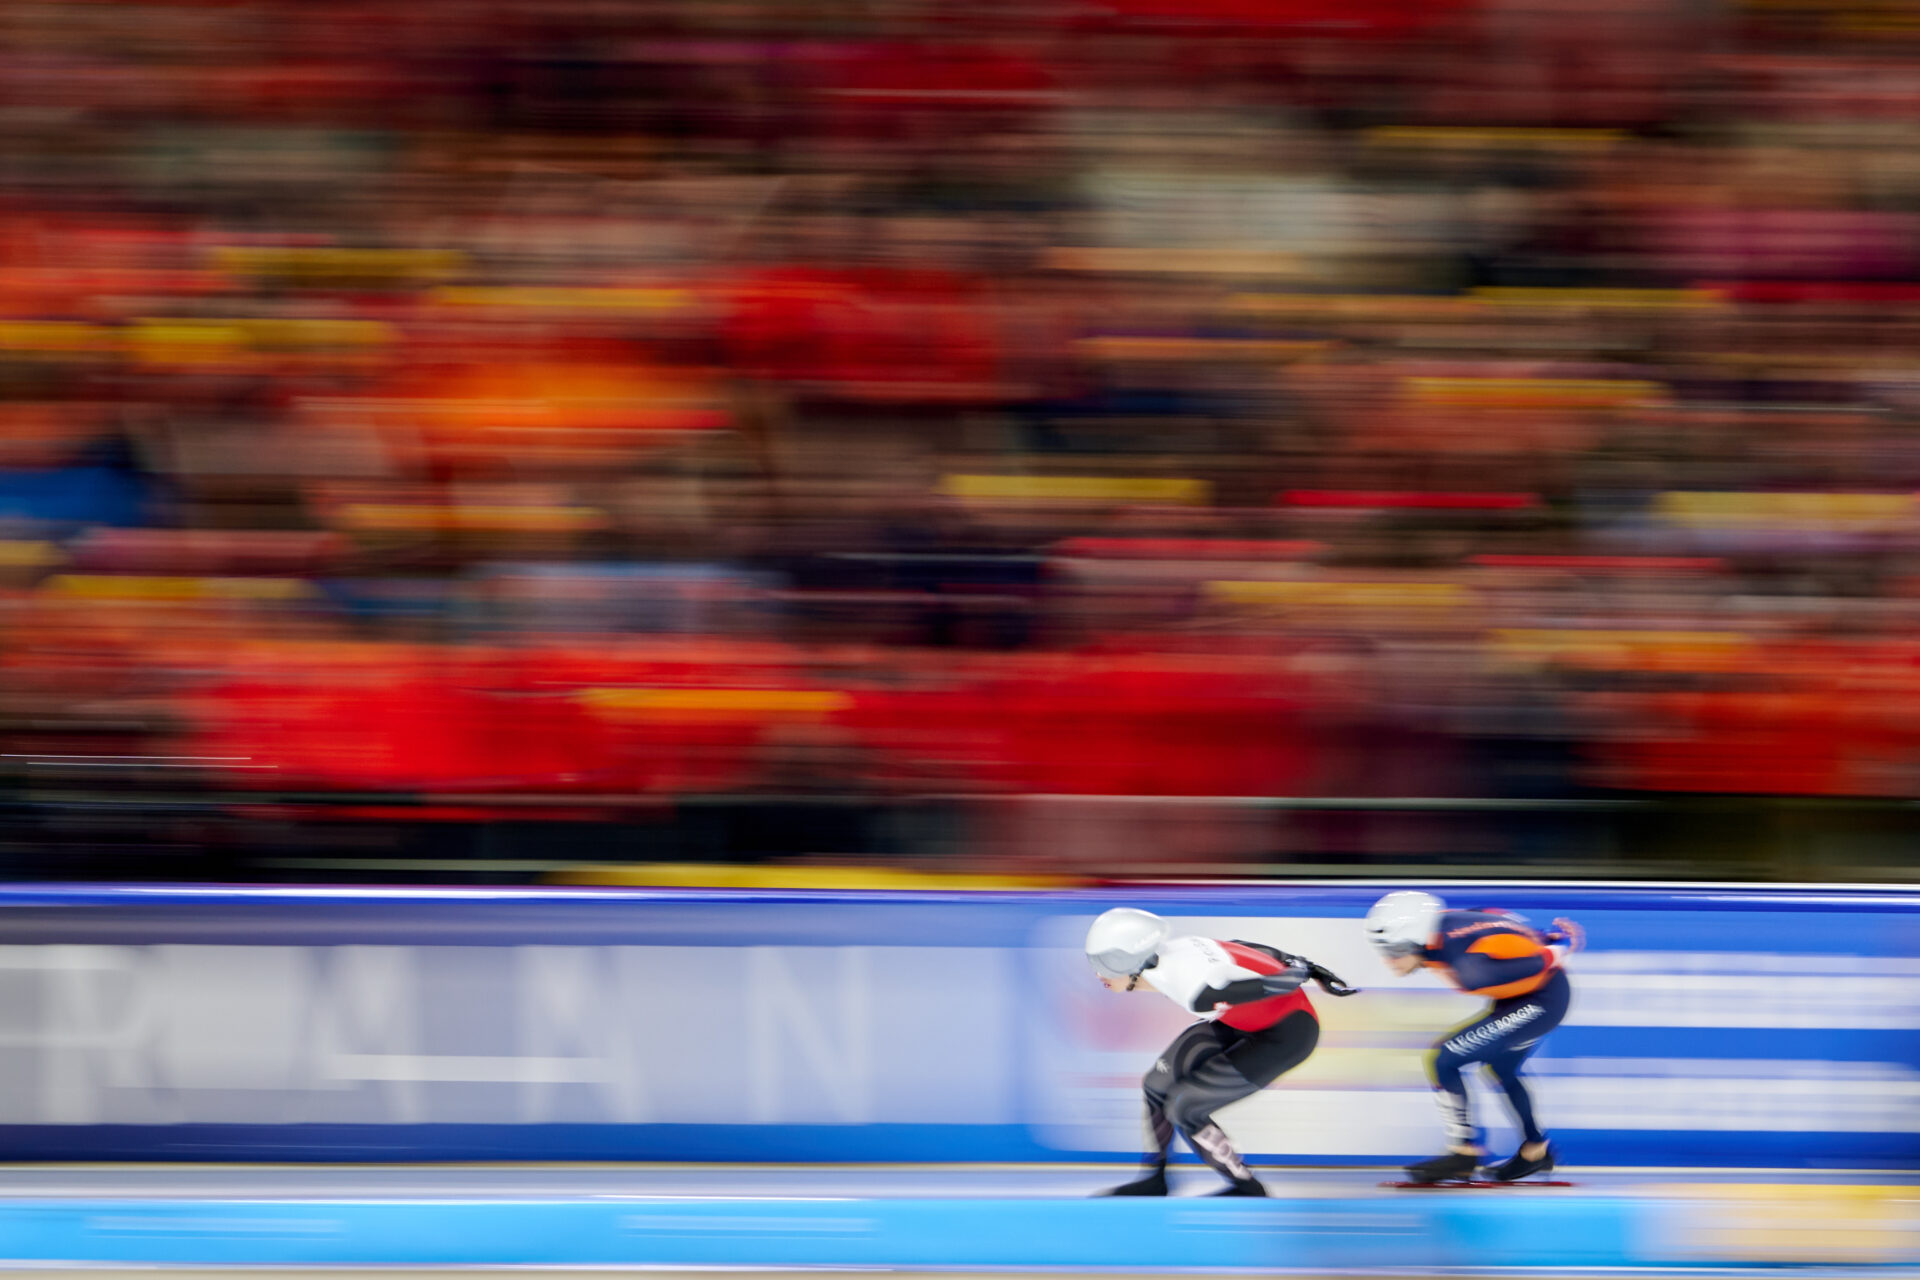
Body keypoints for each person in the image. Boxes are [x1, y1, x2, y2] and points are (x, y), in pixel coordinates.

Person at [1084, 906, 1356, 1197]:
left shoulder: (1191, 989)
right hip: (1243, 1019)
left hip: (1287, 1035)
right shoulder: (1179, 948)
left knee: (1185, 1106)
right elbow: (1240, 947)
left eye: (1106, 963)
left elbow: (1266, 986)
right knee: (1156, 1084)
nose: (1099, 974)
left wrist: (1296, 973)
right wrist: (1305, 966)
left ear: (1133, 960)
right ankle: (1156, 1179)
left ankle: (1248, 1188)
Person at [1363, 890, 1584, 1184]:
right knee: (1501, 1068)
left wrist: (1559, 945)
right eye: (1383, 951)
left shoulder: (1470, 968)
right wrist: (1542, 935)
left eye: (1394, 951)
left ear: (1416, 940)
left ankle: (1464, 1153)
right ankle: (1535, 1150)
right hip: (1525, 996)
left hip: (1542, 1001)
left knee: (1445, 1058)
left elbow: (1539, 962)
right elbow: (1494, 915)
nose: (1388, 961)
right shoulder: (1440, 925)